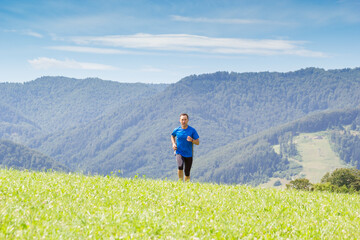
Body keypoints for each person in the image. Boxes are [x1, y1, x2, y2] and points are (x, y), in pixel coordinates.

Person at [171, 113, 199, 182]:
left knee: (187, 172)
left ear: (188, 120)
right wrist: (173, 143)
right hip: (179, 152)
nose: (183, 121)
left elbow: (197, 142)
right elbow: (172, 136)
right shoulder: (177, 130)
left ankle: (186, 186)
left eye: (185, 120)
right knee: (180, 166)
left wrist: (192, 140)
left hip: (188, 154)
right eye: (182, 120)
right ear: (179, 120)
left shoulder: (192, 130)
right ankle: (180, 183)